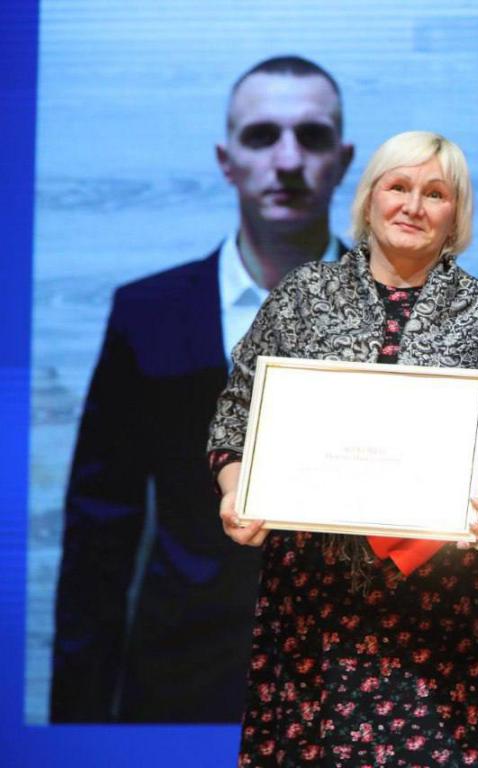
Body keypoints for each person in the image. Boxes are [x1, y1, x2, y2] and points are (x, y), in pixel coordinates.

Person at [209, 131, 478, 766]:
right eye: (399, 187)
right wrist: (235, 489)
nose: (413, 205)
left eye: (435, 193)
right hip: (310, 600)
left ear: (456, 215)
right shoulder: (303, 295)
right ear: (368, 199)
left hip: (432, 607)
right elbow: (237, 413)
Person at [50, 55, 355, 722]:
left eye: (311, 136)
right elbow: (99, 528)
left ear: (343, 159)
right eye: (261, 136)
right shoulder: (149, 314)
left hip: (359, 684)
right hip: (182, 681)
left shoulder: (409, 308)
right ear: (227, 160)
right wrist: (77, 724)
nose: (287, 159)